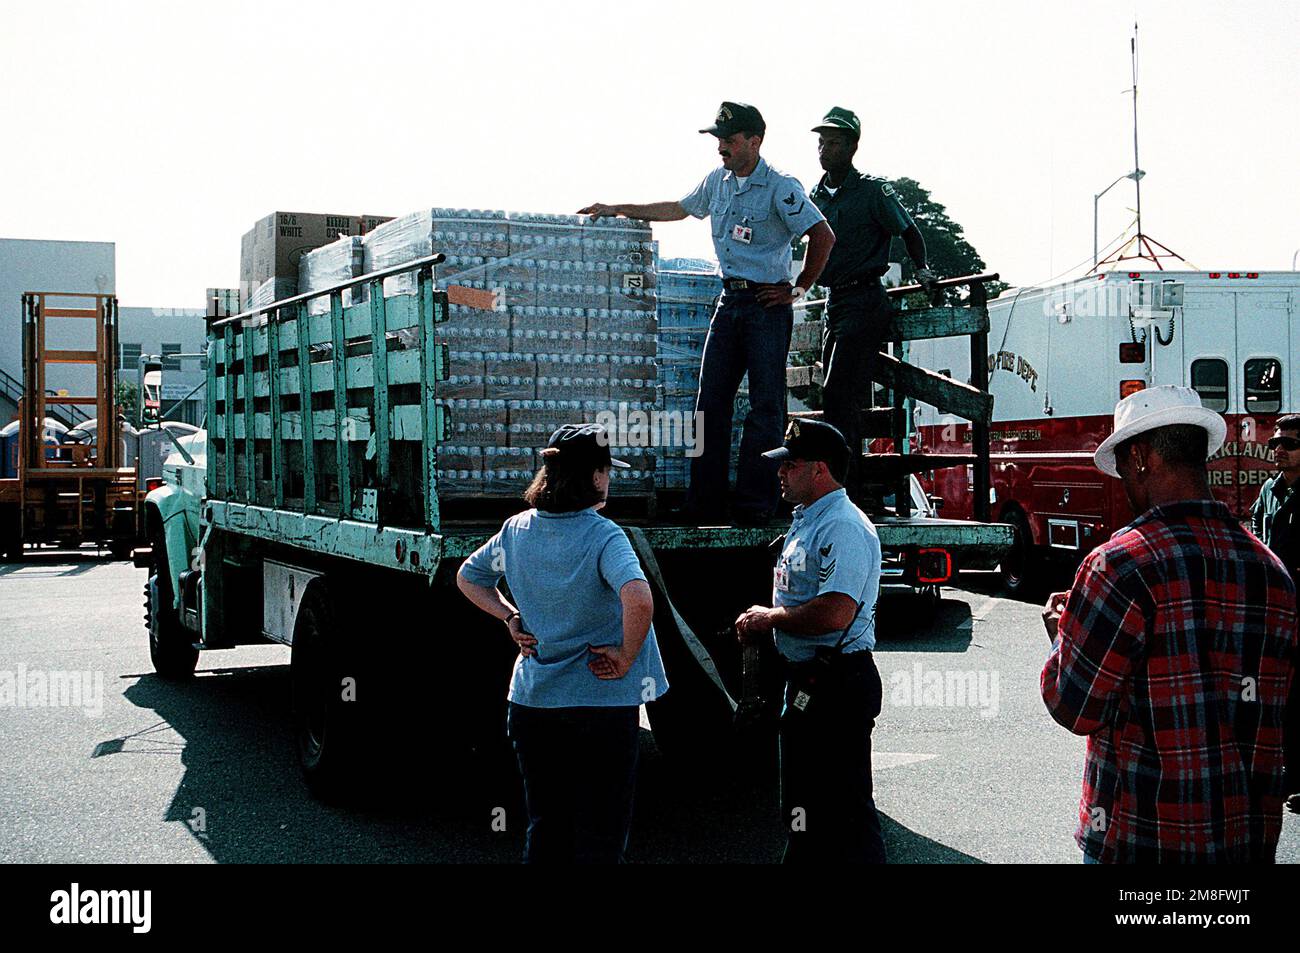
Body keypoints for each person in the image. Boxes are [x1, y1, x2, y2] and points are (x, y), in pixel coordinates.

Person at [1041, 385, 1298, 863]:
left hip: (1140, 839)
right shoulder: (1272, 572)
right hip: (1244, 840)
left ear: (1139, 458)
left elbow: (1075, 705)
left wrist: (1063, 636)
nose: (1124, 483)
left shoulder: (1119, 566)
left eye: (1122, 470)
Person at [580, 101, 835, 524]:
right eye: (718, 139)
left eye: (730, 140)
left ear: (755, 141)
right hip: (729, 301)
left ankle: (756, 504)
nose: (721, 148)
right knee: (709, 405)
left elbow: (822, 234)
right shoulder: (717, 182)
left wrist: (798, 288)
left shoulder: (780, 186)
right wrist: (618, 208)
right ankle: (705, 501)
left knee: (765, 409)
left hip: (765, 307)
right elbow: (678, 209)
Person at [456, 423, 668, 863]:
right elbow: (638, 596)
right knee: (601, 836)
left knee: (546, 828)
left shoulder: (516, 530)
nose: (609, 480)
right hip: (601, 707)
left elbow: (469, 577)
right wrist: (627, 656)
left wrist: (510, 617)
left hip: (534, 705)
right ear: (593, 477)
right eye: (606, 471)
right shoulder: (604, 535)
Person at [733, 418, 886, 863]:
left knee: (846, 811)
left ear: (820, 469)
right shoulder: (811, 519)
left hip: (837, 684)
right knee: (803, 808)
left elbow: (836, 613)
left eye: (790, 465)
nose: (780, 473)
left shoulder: (843, 526)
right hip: (808, 681)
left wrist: (768, 618)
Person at [808, 106, 936, 486]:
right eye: (820, 142)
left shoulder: (872, 191)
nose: (823, 150)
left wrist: (922, 268)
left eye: (833, 142)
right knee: (834, 396)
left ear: (851, 146)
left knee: (838, 391)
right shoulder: (816, 194)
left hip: (864, 299)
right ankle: (843, 479)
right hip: (834, 301)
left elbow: (909, 230)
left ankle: (846, 483)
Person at [1249, 413, 1300, 813]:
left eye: (1290, 444)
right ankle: (1287, 770)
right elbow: (1255, 535)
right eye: (1275, 444)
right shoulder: (1269, 489)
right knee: (1278, 693)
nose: (1280, 450)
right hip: (1274, 608)